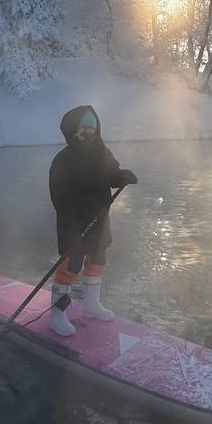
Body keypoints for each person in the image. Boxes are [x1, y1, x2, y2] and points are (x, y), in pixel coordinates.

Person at [48, 105, 138, 337]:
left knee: (97, 259)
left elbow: (112, 176)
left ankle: (91, 306)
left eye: (93, 128)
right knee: (71, 265)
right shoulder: (63, 160)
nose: (89, 132)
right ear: (73, 130)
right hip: (72, 222)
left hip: (99, 218)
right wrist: (71, 227)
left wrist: (122, 176)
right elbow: (59, 197)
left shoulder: (102, 153)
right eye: (84, 128)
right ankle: (57, 315)